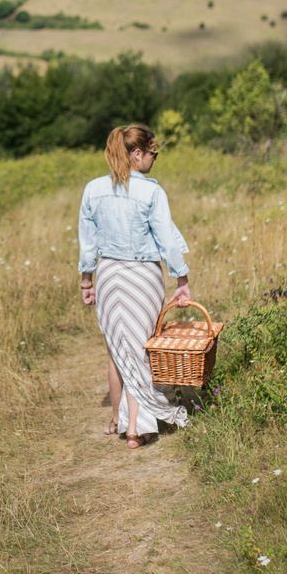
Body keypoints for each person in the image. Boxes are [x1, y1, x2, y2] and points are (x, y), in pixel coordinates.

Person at [77, 123, 192, 449]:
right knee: (141, 349)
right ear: (137, 154)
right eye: (153, 153)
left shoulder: (92, 189)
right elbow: (167, 239)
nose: (154, 159)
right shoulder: (152, 192)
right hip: (143, 277)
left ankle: (119, 419)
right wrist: (181, 279)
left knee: (117, 352)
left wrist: (87, 280)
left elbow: (88, 243)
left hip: (110, 275)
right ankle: (135, 430)